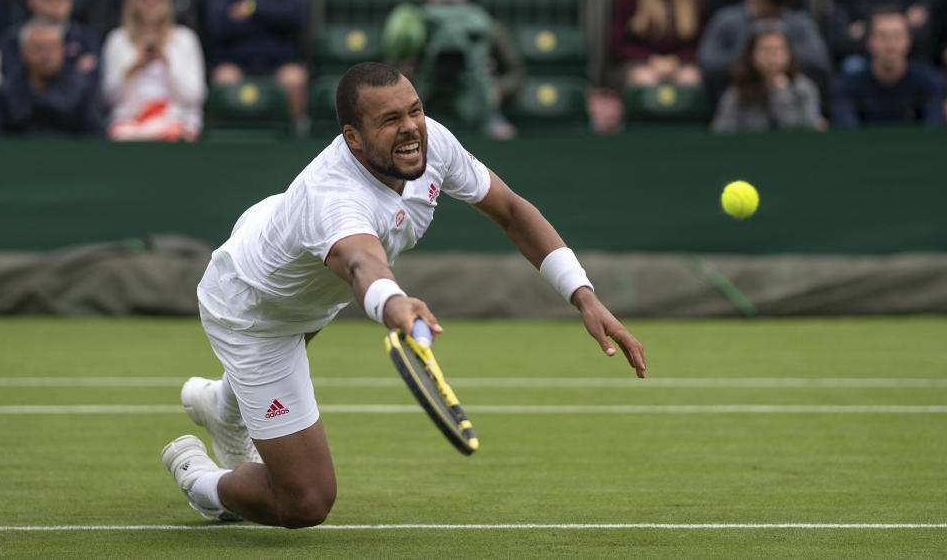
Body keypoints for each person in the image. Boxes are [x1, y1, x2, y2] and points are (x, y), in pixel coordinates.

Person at [161, 62, 646, 527]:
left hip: (291, 263)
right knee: (306, 501)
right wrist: (395, 304)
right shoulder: (335, 200)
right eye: (390, 119)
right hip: (252, 308)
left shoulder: (429, 141)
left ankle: (222, 405)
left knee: (309, 311)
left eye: (414, 109)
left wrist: (584, 295)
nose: (411, 127)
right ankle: (198, 478)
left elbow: (512, 212)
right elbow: (360, 264)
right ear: (352, 137)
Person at [384, 0, 524, 140]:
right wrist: (405, 73)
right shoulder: (414, 26)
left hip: (479, 110)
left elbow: (515, 71)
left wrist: (496, 92)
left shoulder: (487, 27)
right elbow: (388, 71)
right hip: (424, 107)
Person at [207, 0, 308, 133]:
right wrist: (272, 19)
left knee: (295, 78)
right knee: (224, 78)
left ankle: (296, 138)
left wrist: (251, 9)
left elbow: (294, 17)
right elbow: (220, 25)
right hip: (234, 64)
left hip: (279, 65)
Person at [101, 0, 206, 141]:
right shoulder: (117, 40)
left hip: (176, 120)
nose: (151, 2)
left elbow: (194, 96)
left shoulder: (186, 39)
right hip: (129, 124)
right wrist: (135, 67)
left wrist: (166, 62)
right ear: (132, 1)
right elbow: (108, 98)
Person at [698, 0, 828, 97]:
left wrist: (779, 57)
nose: (773, 15)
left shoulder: (800, 23)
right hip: (741, 97)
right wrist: (750, 57)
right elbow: (707, 62)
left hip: (790, 98)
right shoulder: (726, 20)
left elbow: (819, 61)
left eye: (779, 10)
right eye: (768, 7)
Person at [831, 6, 944, 127]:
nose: (890, 43)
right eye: (881, 36)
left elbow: (934, 130)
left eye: (897, 35)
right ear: (868, 41)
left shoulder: (929, 82)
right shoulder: (847, 86)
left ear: (909, 40)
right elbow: (846, 133)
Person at [0, 19, 102, 134]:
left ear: (62, 50)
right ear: (23, 53)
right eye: (38, 49)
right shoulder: (5, 93)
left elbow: (95, 136)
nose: (47, 56)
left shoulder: (80, 90)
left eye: (53, 48)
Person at [711, 21, 825, 133]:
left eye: (779, 49)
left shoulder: (804, 88)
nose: (773, 57)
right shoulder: (738, 91)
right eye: (766, 50)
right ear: (751, 54)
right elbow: (723, 133)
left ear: (789, 53)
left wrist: (781, 93)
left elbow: (810, 130)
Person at [0, 0, 98, 84]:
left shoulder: (86, 37)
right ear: (31, 0)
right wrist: (74, 72)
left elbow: (90, 85)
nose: (57, 2)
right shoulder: (12, 38)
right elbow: (9, 86)